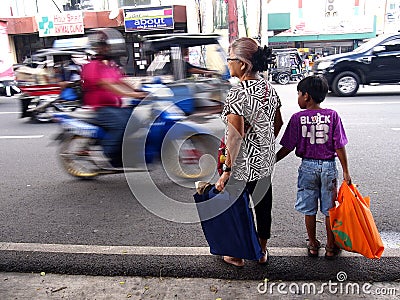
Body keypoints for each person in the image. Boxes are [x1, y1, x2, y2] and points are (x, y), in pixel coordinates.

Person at [215, 37, 283, 267]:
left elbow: (235, 136)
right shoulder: (268, 89)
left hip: (242, 165)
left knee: (238, 208)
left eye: (230, 59)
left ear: (243, 64)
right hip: (264, 163)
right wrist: (264, 145)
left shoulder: (238, 93)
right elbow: (278, 123)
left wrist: (227, 170)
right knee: (263, 206)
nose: (228, 63)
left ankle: (237, 254)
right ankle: (261, 251)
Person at [275, 75, 351, 260]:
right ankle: (331, 246)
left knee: (309, 208)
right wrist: (346, 172)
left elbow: (288, 146)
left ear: (306, 96)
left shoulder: (297, 118)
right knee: (329, 209)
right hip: (329, 167)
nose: (298, 98)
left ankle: (313, 243)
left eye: (299, 94)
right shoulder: (332, 115)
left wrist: (272, 160)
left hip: (307, 167)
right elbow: (339, 145)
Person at [81, 28, 147, 168]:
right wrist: (131, 94)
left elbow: (120, 81)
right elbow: (106, 84)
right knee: (122, 125)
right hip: (101, 108)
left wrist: (139, 90)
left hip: (115, 106)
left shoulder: (109, 66)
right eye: (105, 46)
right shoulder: (92, 66)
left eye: (107, 46)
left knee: (137, 119)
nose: (107, 49)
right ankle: (108, 154)